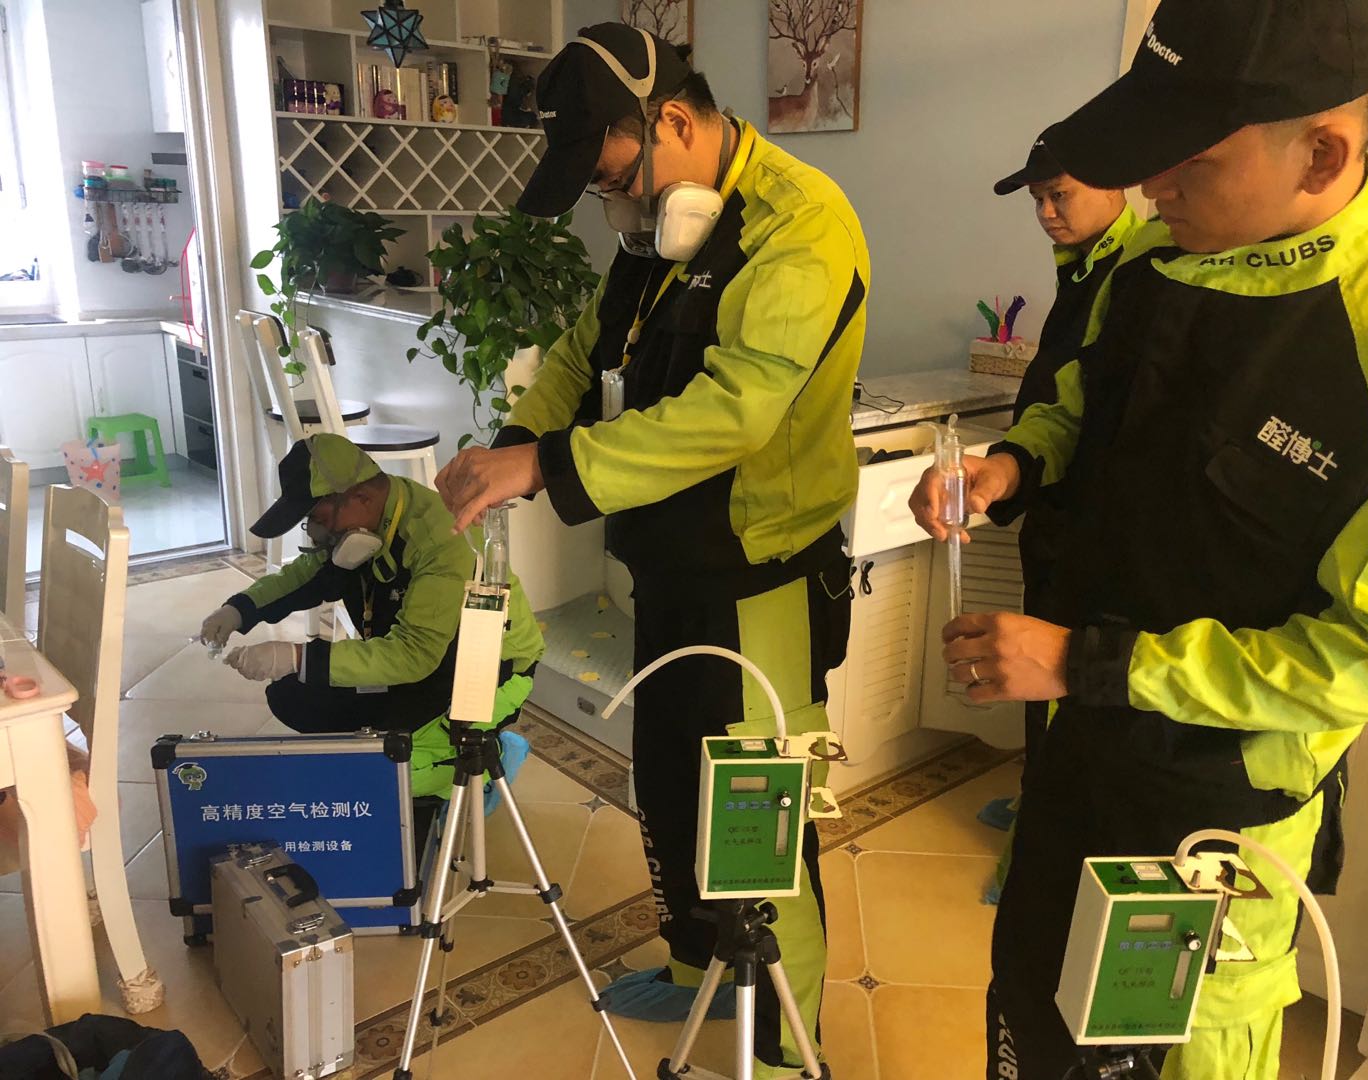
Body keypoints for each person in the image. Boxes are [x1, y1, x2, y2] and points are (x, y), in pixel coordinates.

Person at [911, 1, 1368, 1077]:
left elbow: (1361, 659)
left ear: (1322, 154)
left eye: (1189, 159)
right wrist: (1010, 467)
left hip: (1217, 814)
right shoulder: (1150, 261)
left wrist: (1085, 661)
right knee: (1032, 1021)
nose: (1152, 186)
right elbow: (1076, 409)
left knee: (1162, 1055)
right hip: (1074, 752)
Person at [432, 23, 869, 1079]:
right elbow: (583, 354)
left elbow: (735, 413)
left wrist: (547, 468)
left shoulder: (801, 227)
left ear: (672, 120)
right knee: (672, 786)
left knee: (757, 822)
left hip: (758, 579)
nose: (612, 200)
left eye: (616, 172)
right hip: (668, 567)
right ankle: (695, 967)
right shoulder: (656, 234)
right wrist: (515, 440)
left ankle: (781, 1051)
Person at [200, 433, 544, 800]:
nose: (317, 534)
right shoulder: (360, 526)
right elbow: (304, 576)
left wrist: (299, 656)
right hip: (417, 664)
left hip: (486, 672)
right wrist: (239, 609)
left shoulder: (440, 539)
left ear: (361, 497)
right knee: (294, 696)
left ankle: (493, 759)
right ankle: (404, 741)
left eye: (318, 518)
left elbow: (415, 654)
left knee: (393, 771)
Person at [976, 137, 1142, 850]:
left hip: (1091, 517)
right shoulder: (1082, 267)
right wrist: (1007, 468)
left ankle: (1042, 833)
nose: (1046, 211)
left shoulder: (1136, 270)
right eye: (1038, 199)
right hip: (1049, 497)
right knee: (1035, 657)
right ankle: (1034, 799)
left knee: (1066, 670)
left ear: (1115, 183)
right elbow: (1061, 404)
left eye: (1060, 194)